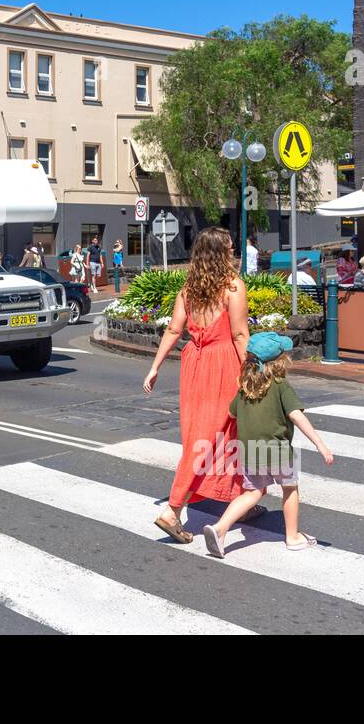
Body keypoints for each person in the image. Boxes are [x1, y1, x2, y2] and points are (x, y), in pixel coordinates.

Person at [142, 226, 253, 543]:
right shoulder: (232, 287)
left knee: (214, 434)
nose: (234, 250)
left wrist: (155, 367)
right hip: (222, 363)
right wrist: (251, 373)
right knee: (212, 436)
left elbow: (174, 331)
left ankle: (241, 500)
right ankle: (173, 510)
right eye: (230, 246)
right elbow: (240, 335)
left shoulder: (188, 289)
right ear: (221, 253)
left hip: (194, 364)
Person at [201, 333, 334, 559]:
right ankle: (292, 537)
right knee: (289, 489)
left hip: (250, 451)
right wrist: (320, 444)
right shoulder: (280, 385)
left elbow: (231, 413)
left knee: (252, 493)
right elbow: (296, 415)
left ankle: (220, 528)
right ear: (279, 361)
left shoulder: (245, 387)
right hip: (277, 450)